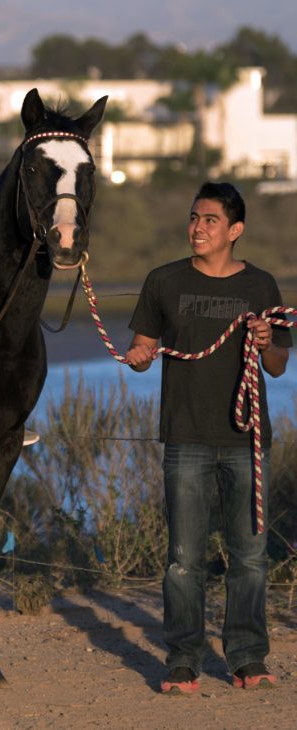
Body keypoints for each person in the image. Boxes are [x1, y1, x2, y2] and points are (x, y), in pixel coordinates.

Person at [125, 182, 291, 695]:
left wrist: (266, 343)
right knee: (183, 558)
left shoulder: (262, 286)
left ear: (235, 230)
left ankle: (246, 658)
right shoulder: (163, 280)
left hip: (246, 438)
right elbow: (143, 343)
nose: (197, 227)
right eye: (194, 218)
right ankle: (183, 660)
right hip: (186, 437)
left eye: (211, 220)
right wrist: (139, 355)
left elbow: (280, 366)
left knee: (248, 557)